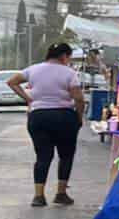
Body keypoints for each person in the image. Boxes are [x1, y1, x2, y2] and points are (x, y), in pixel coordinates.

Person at [8, 42, 85, 208]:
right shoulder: (69, 73)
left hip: (38, 116)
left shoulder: (33, 69)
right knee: (66, 155)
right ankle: (61, 193)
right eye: (68, 57)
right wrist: (79, 117)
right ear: (64, 56)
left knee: (43, 156)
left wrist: (28, 98)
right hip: (63, 117)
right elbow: (78, 98)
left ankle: (38, 196)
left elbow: (12, 82)